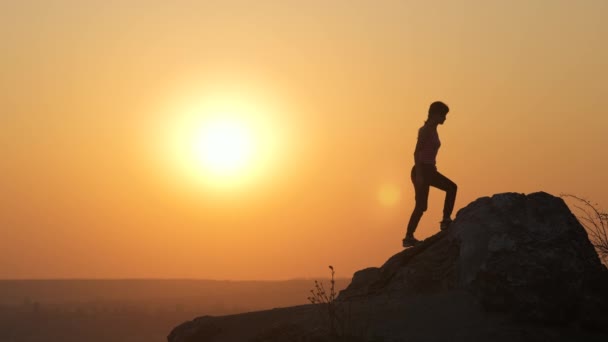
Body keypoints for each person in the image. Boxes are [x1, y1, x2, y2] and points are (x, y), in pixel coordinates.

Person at [402, 101, 457, 247]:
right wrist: (420, 175)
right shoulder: (425, 130)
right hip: (421, 170)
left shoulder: (434, 130)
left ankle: (444, 220)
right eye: (443, 115)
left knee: (447, 190)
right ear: (435, 114)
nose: (445, 118)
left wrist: (432, 168)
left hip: (430, 170)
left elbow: (429, 153)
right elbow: (416, 152)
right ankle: (409, 237)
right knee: (423, 205)